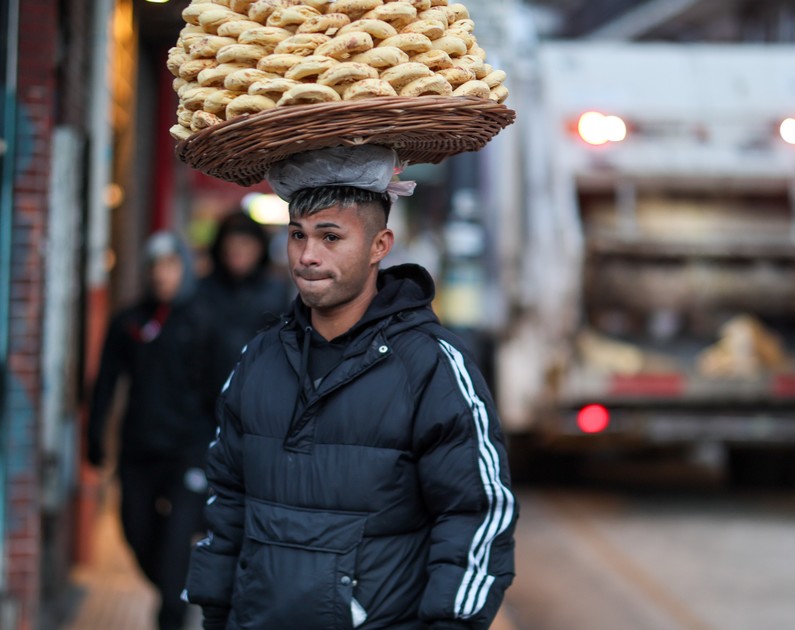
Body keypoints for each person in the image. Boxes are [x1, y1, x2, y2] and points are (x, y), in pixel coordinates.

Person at [185, 146, 517, 629]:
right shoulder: (259, 359)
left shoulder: (432, 366)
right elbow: (226, 501)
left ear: (379, 245)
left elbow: (477, 513)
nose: (307, 255)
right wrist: (215, 611)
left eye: (330, 236)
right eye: (297, 235)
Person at [86, 231, 212, 630]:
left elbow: (222, 393)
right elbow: (105, 382)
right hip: (138, 452)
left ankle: (174, 611)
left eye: (170, 265)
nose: (162, 275)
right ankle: (181, 590)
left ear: (184, 269)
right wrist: (94, 434)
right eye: (155, 266)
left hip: (187, 456)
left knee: (177, 547)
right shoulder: (130, 322)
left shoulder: (202, 323)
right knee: (138, 536)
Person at [194, 210, 289, 396]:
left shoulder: (275, 291)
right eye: (231, 244)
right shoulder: (202, 290)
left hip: (259, 394)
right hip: (204, 399)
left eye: (245, 244)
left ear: (259, 248)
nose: (237, 251)